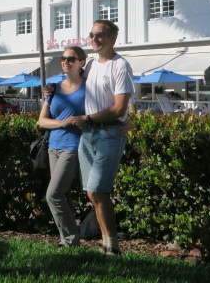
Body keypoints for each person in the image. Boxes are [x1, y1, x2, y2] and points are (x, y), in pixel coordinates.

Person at [69, 20, 134, 256]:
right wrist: (49, 92)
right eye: (92, 35)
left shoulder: (120, 66)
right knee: (91, 192)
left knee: (98, 190)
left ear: (113, 37)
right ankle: (106, 244)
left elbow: (119, 107)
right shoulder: (93, 66)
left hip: (109, 133)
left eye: (100, 35)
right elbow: (73, 86)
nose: (94, 39)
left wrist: (89, 119)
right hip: (88, 135)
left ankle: (112, 247)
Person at [37, 45, 87, 248]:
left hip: (72, 148)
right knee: (63, 194)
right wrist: (63, 123)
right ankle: (67, 238)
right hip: (53, 146)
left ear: (81, 63)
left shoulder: (89, 88)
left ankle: (70, 241)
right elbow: (41, 121)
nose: (65, 62)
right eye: (63, 59)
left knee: (53, 194)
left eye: (71, 59)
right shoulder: (54, 88)